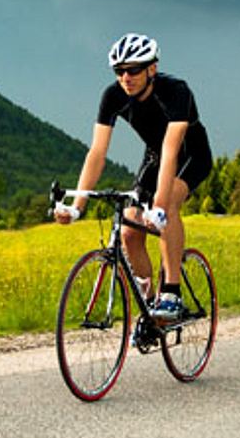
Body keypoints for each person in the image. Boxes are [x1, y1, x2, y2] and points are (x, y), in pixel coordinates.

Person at [54, 33, 213, 321]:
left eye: (134, 70)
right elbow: (97, 153)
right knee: (129, 230)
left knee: (171, 203)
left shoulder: (176, 91)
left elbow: (170, 150)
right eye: (119, 71)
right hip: (155, 157)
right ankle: (149, 305)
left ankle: (171, 293)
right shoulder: (113, 96)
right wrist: (77, 206)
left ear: (152, 68)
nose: (125, 77)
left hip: (190, 155)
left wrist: (160, 207)